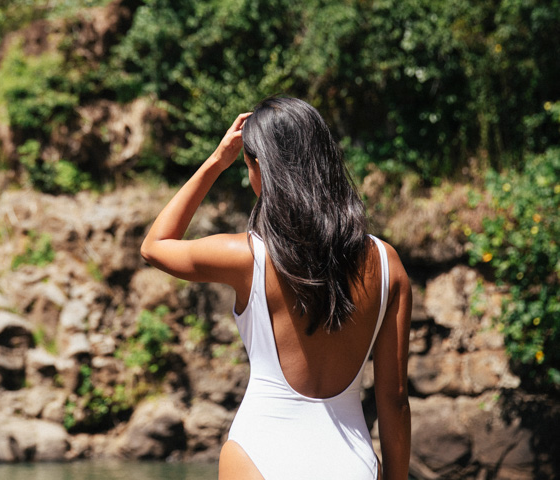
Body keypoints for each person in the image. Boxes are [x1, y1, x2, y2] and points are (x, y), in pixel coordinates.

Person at [140, 96, 411, 480]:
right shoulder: (386, 265)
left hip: (259, 453)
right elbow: (394, 400)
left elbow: (154, 246)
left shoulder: (246, 257)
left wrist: (217, 161)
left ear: (259, 167)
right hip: (350, 463)